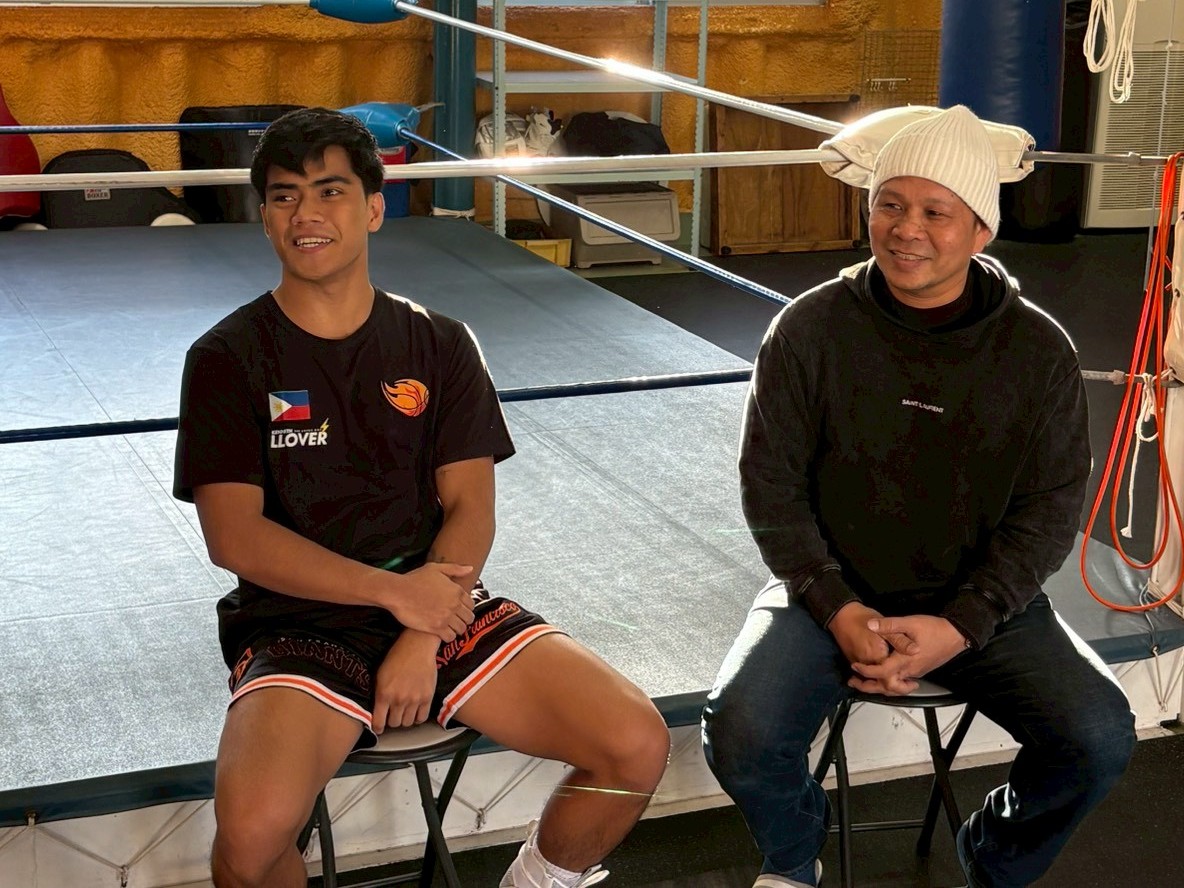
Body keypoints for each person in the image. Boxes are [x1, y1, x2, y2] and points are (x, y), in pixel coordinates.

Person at [173, 106, 668, 888]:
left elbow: (471, 507)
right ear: (264, 217)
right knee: (250, 835)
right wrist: (394, 596)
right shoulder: (227, 358)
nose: (306, 213)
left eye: (330, 191)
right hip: (302, 623)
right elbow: (234, 537)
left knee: (635, 745)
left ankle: (535, 882)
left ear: (374, 208)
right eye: (284, 196)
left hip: (441, 607)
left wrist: (419, 631)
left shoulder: (439, 342)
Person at [701, 105, 1136, 888]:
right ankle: (794, 858)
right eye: (890, 205)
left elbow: (1050, 511)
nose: (907, 230)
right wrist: (834, 603)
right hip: (830, 590)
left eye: (936, 212)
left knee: (1099, 736)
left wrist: (963, 622)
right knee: (741, 730)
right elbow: (770, 487)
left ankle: (993, 860)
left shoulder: (1038, 349)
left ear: (980, 231)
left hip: (982, 602)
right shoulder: (809, 329)